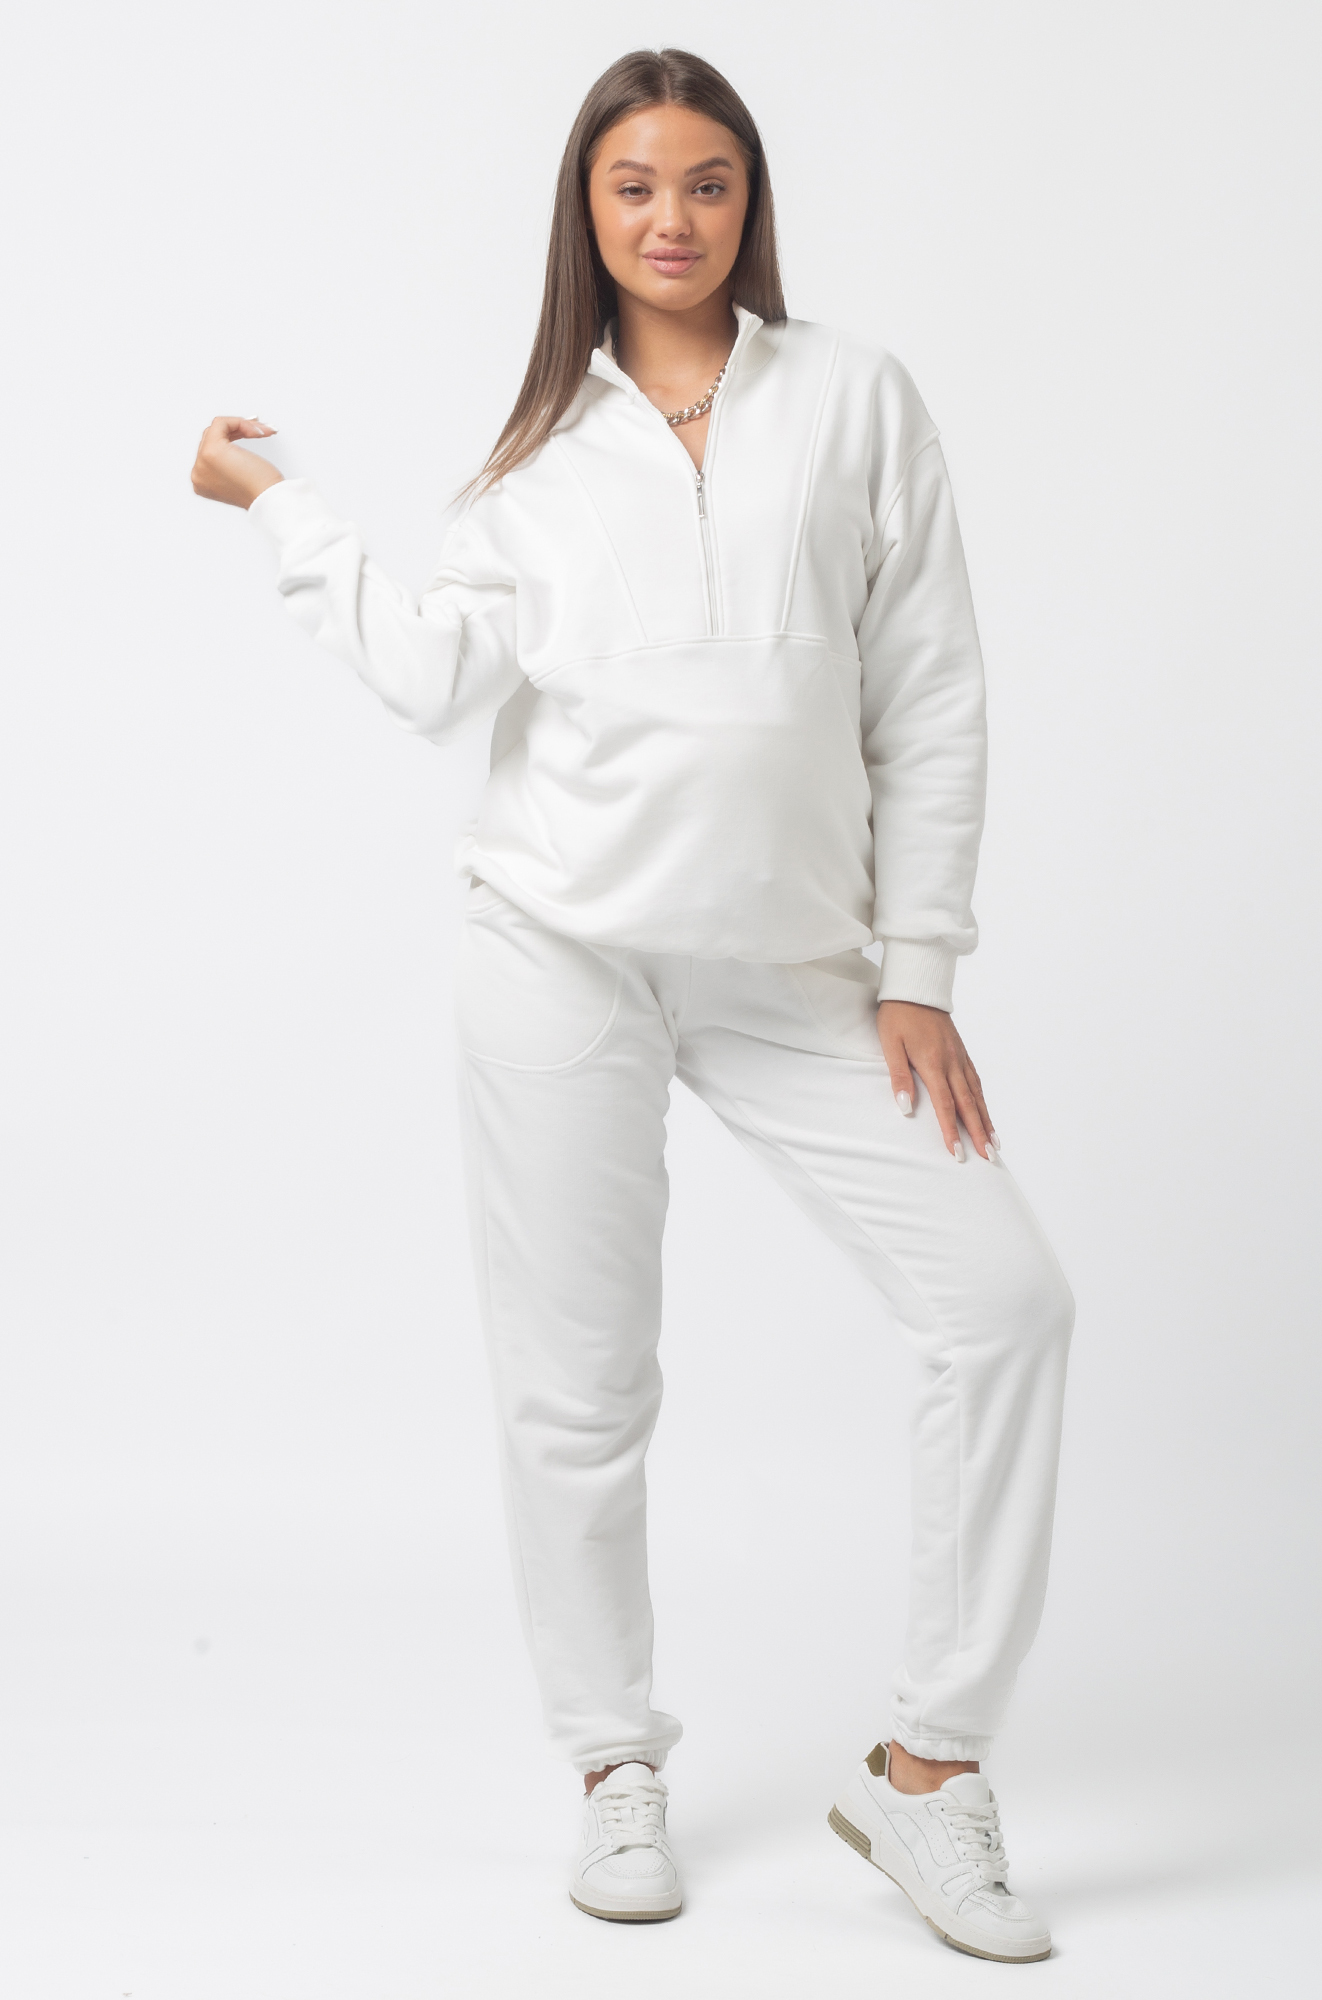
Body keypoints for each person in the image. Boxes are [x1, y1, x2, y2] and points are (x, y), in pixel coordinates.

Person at [191, 46, 1074, 1965]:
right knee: (582, 1387)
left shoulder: (851, 399)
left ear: (750, 201)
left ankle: (928, 1775)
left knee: (1004, 1303)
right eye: (633, 186)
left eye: (707, 182)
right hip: (559, 951)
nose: (672, 218)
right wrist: (277, 501)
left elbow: (929, 689)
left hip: (795, 971)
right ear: (584, 217)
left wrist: (917, 968)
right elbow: (431, 681)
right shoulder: (532, 463)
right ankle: (612, 1763)